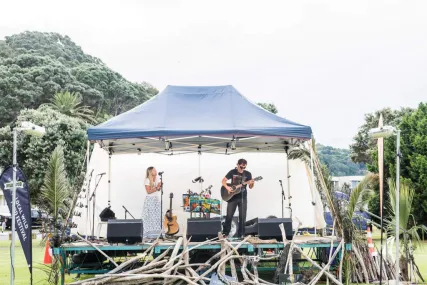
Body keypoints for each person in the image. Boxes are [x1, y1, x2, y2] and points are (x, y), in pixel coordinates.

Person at [221, 158, 255, 238]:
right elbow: (223, 181)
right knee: (229, 216)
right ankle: (225, 233)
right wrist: (228, 188)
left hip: (243, 197)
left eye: (244, 167)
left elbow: (250, 187)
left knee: (242, 216)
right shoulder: (232, 172)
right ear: (237, 164)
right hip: (232, 197)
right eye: (241, 167)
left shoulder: (248, 174)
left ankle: (241, 235)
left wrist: (252, 183)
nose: (242, 169)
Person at [142, 166, 163, 239]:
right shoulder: (147, 180)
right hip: (150, 200)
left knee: (157, 217)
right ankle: (149, 234)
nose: (156, 171)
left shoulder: (157, 179)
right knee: (150, 217)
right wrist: (157, 187)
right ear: (151, 172)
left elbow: (158, 190)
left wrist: (159, 186)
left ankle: (157, 234)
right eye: (154, 170)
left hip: (156, 199)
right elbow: (149, 192)